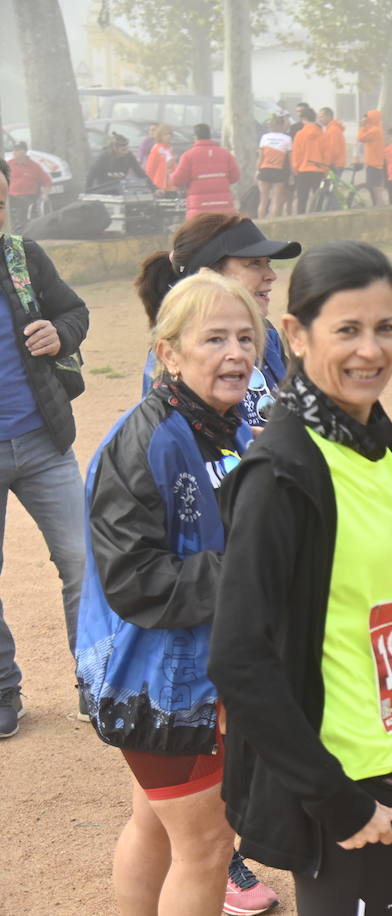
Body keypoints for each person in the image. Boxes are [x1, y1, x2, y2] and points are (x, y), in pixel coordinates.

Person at [209, 242, 392, 914]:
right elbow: (238, 658)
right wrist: (333, 798)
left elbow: (374, 591)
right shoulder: (282, 474)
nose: (371, 350)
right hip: (334, 776)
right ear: (295, 334)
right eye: (347, 330)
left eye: (385, 327)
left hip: (383, 750)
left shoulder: (376, 437)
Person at [75, 272, 269, 915]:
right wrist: (255, 568)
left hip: (196, 669)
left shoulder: (224, 425)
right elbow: (135, 580)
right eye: (214, 339)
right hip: (155, 681)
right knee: (208, 846)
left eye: (246, 337)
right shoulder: (149, 439)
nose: (236, 352)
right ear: (169, 353)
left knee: (156, 825)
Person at [0, 155, 89, 739]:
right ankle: (3, 690)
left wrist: (60, 333)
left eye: (0, 202)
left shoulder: (22, 257)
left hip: (43, 441)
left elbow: (74, 311)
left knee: (83, 560)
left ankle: (96, 679)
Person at [135, 213, 301, 427]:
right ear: (208, 276)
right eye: (254, 263)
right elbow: (175, 436)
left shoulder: (265, 333)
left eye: (267, 263)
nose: (271, 275)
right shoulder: (177, 353)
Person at [171, 124, 241, 221]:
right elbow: (235, 177)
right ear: (209, 135)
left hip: (199, 210)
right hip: (223, 208)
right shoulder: (225, 154)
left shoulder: (188, 156)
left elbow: (177, 181)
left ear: (195, 137)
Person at [4, 142, 52, 232]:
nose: (14, 152)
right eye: (14, 150)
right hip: (11, 197)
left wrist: (45, 195)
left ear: (24, 152)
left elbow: (47, 182)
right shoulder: (8, 164)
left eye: (17, 150)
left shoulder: (34, 166)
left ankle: (20, 231)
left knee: (21, 206)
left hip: (28, 197)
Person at [86, 132, 151, 193]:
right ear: (115, 148)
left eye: (127, 149)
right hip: (104, 189)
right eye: (123, 150)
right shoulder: (104, 157)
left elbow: (140, 173)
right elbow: (91, 175)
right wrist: (88, 192)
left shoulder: (129, 156)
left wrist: (153, 188)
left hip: (120, 189)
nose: (126, 152)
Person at [256, 114, 293, 219]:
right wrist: (292, 172)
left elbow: (261, 157)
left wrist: (258, 170)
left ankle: (261, 223)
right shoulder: (287, 139)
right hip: (278, 171)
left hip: (265, 169)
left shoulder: (264, 137)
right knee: (276, 200)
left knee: (263, 200)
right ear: (282, 126)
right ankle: (274, 223)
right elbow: (290, 159)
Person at [291, 105, 326, 213]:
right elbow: (326, 153)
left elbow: (296, 154)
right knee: (318, 198)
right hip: (318, 170)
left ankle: (301, 218)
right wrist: (325, 169)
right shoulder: (322, 134)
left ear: (304, 119)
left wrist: (295, 168)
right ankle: (318, 216)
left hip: (303, 170)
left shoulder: (300, 134)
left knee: (302, 198)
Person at [357, 108, 387, 207]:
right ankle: (379, 205)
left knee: (375, 188)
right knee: (375, 187)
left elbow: (360, 138)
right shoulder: (376, 129)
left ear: (371, 119)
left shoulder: (375, 131)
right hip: (375, 162)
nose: (365, 119)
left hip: (374, 163)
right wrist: (365, 126)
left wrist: (362, 126)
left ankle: (379, 207)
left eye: (367, 118)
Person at [143, 124, 177, 191]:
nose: (169, 136)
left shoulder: (169, 148)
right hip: (160, 187)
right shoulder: (157, 149)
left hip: (171, 185)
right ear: (160, 136)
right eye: (166, 134)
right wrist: (152, 187)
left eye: (170, 134)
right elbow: (150, 169)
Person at [318, 106, 347, 175]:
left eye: (321, 117)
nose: (319, 119)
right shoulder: (332, 129)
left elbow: (332, 150)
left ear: (329, 117)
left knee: (331, 182)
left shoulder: (333, 130)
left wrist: (326, 165)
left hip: (334, 166)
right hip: (336, 164)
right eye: (319, 117)